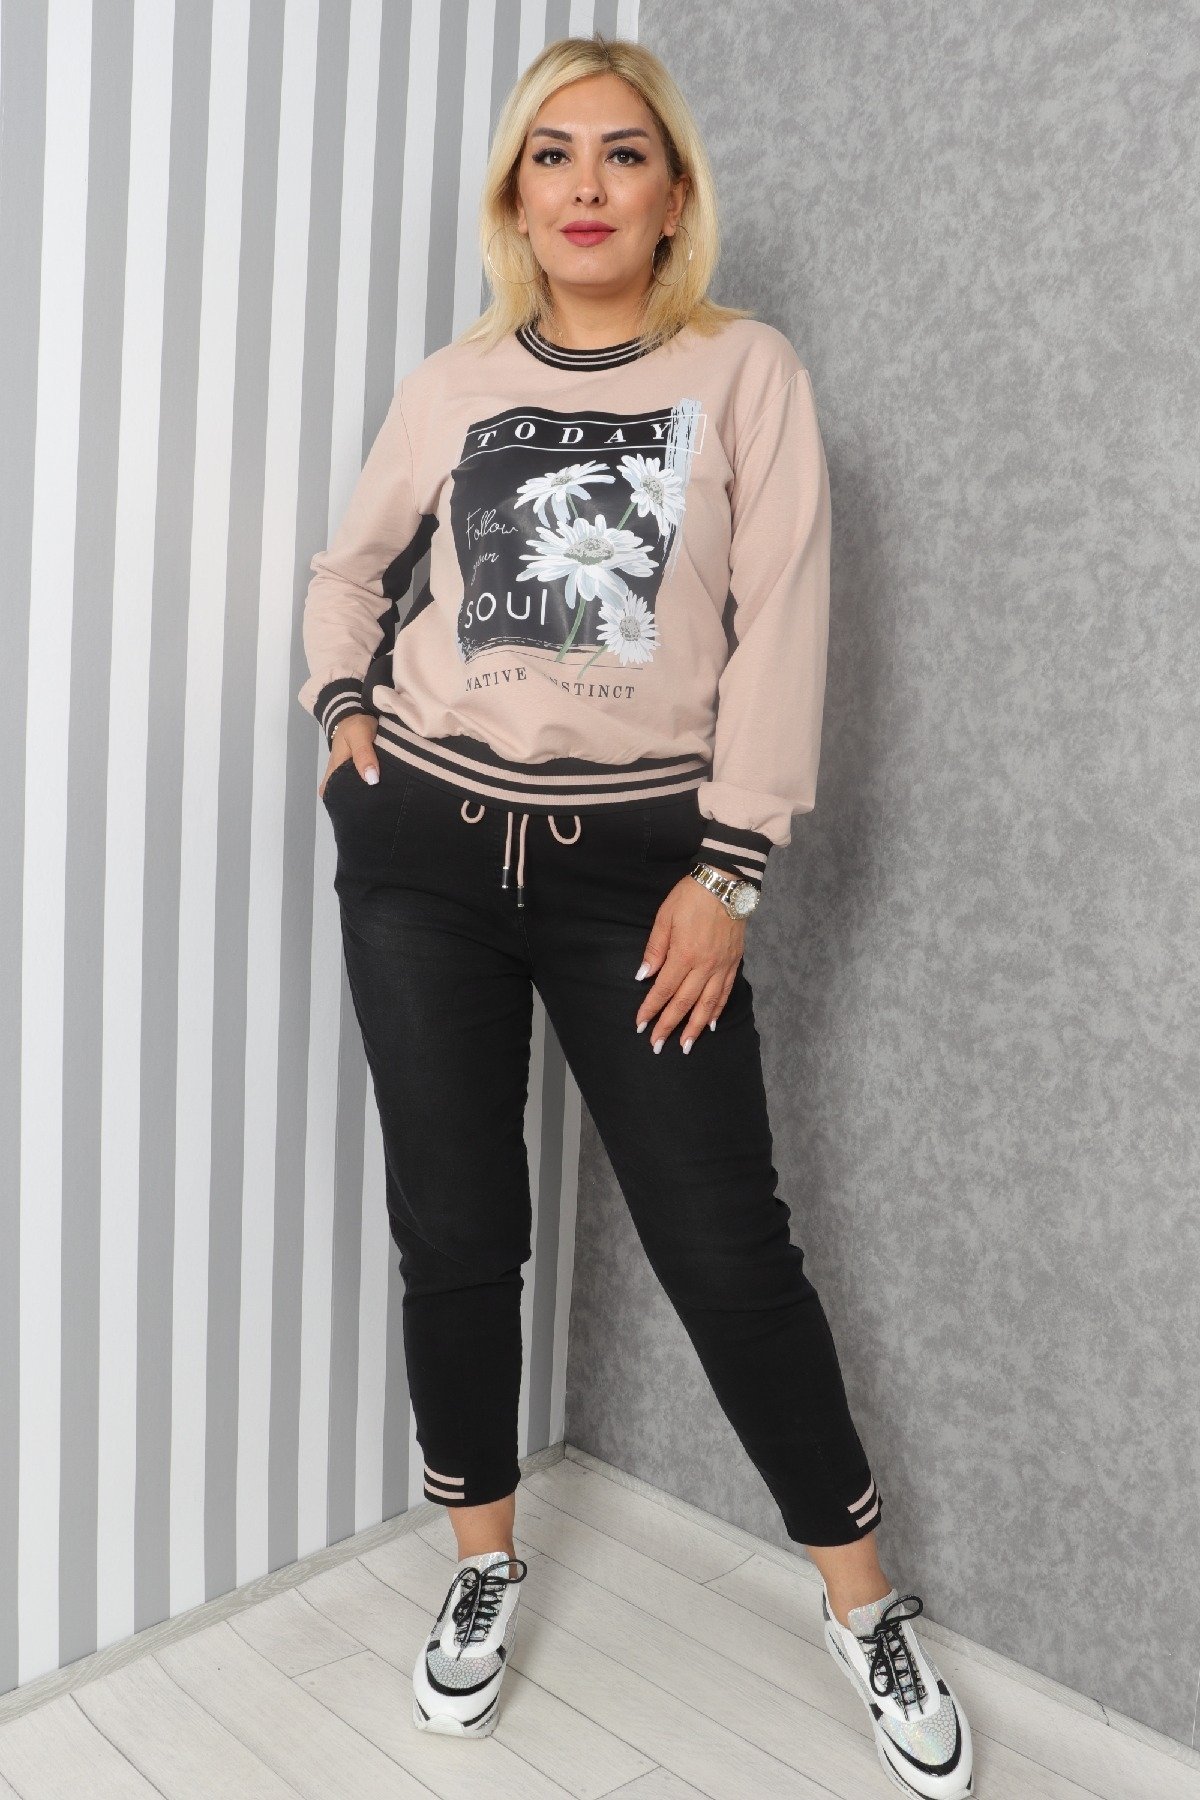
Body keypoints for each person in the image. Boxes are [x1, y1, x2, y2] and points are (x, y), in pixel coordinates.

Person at [297, 32, 974, 1798]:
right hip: (428, 858)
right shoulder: (454, 383)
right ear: (517, 197)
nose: (586, 186)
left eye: (622, 154)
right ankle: (481, 1561)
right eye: (553, 156)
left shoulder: (744, 372)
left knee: (726, 1245)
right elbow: (350, 573)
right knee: (457, 1229)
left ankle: (862, 1603)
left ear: (674, 196)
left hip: (640, 879)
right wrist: (346, 719)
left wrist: (730, 871)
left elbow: (785, 620)